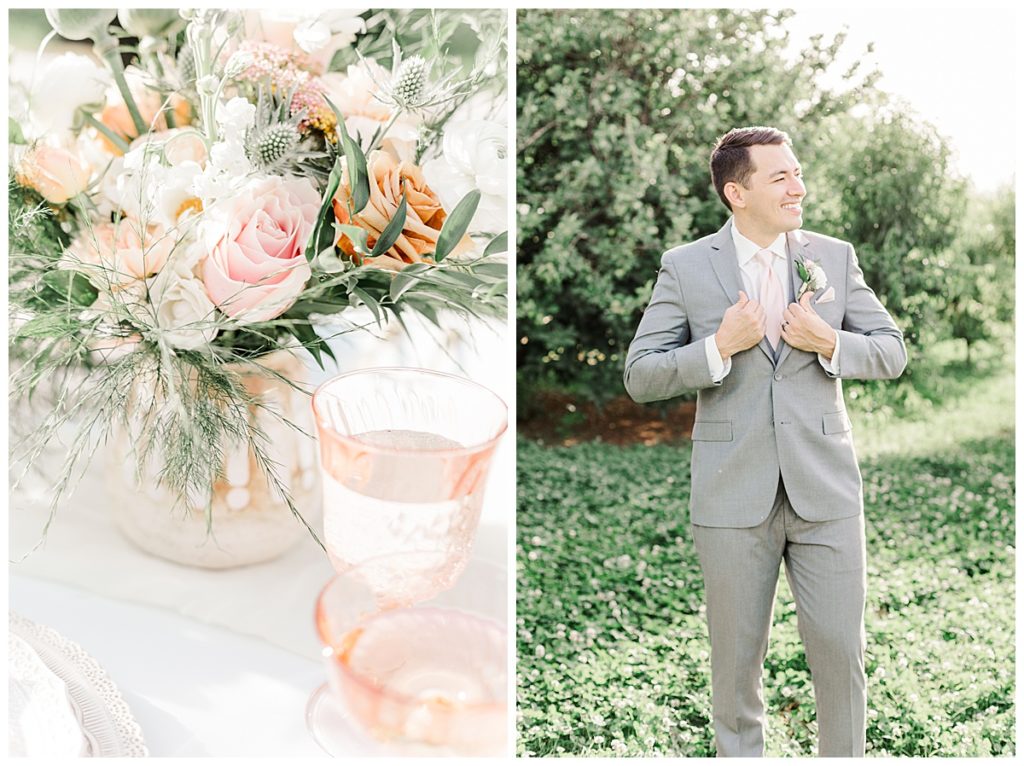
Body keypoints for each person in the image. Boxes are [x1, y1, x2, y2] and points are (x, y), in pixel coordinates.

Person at [623, 126, 907, 757]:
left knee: (841, 655)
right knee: (735, 667)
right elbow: (640, 375)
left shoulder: (833, 257)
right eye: (780, 177)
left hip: (826, 491)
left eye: (797, 173)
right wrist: (716, 347)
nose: (798, 187)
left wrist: (828, 341)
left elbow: (892, 352)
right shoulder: (686, 266)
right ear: (736, 192)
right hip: (730, 498)